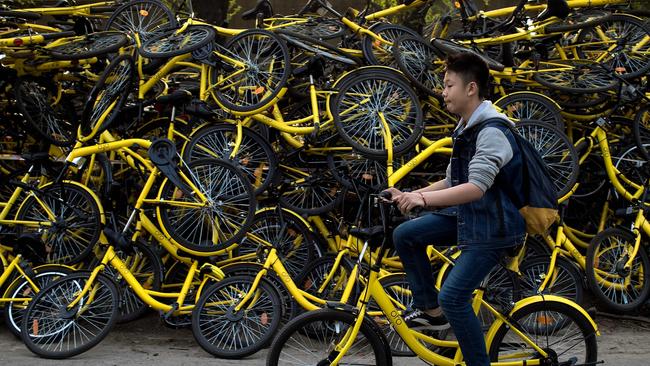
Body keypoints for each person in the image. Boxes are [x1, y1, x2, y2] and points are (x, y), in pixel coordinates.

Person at [383, 52, 526, 366]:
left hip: (494, 229)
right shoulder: (466, 128)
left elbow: (475, 188)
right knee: (406, 234)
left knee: (454, 297)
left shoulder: (492, 132)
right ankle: (432, 313)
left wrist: (423, 201)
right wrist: (410, 194)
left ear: (471, 88)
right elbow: (452, 181)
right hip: (472, 218)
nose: (442, 92)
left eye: (448, 85)